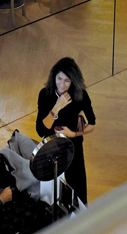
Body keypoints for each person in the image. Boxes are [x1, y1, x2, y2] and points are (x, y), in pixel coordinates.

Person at [36, 58, 96, 205]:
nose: (61, 84)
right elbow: (41, 130)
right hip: (52, 147)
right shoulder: (45, 94)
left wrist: (73, 134)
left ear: (73, 81)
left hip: (73, 146)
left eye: (67, 81)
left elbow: (92, 124)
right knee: (51, 191)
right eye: (59, 78)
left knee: (78, 189)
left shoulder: (81, 95)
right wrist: (57, 107)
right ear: (54, 77)